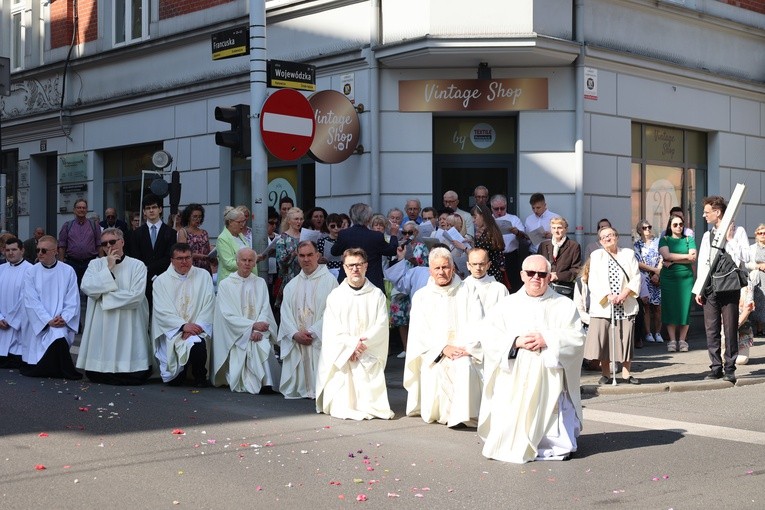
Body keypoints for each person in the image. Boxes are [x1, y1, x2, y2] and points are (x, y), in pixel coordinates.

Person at [478, 254, 585, 463]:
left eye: (542, 274)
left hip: (549, 373)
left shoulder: (564, 305)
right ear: (522, 275)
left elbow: (577, 338)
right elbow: (490, 337)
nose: (536, 277)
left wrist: (548, 338)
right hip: (515, 372)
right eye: (531, 273)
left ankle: (551, 446)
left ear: (549, 276)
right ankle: (513, 442)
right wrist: (515, 341)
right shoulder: (506, 305)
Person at [405, 247, 483, 428]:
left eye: (445, 267)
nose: (442, 272)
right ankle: (443, 413)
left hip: (463, 352)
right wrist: (443, 348)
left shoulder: (469, 291)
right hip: (435, 353)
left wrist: (465, 348)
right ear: (430, 270)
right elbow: (419, 332)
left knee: (464, 366)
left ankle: (462, 416)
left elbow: (478, 322)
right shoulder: (422, 296)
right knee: (438, 368)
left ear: (453, 268)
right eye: (437, 268)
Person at [315, 248, 394, 420]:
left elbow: (380, 325)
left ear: (366, 266)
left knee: (371, 402)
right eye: (350, 265)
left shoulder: (376, 294)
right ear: (344, 268)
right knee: (342, 403)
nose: (355, 269)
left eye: (358, 265)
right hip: (343, 355)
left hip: (367, 352)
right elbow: (331, 328)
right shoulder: (336, 296)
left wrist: (359, 346)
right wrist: (351, 346)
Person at [77, 228, 152, 385]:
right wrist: (108, 268)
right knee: (98, 372)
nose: (109, 246)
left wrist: (104, 298)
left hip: (129, 321)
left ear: (122, 242)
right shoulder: (95, 264)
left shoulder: (137, 265)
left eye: (113, 241)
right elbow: (87, 288)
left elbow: (136, 296)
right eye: (104, 244)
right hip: (102, 321)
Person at [694, 196, 746, 383]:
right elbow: (702, 262)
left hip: (730, 286)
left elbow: (745, 257)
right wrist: (698, 289)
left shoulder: (737, 231)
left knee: (731, 327)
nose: (704, 215)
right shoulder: (707, 235)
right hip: (710, 286)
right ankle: (716, 367)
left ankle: (730, 367)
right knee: (711, 329)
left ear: (717, 212)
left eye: (707, 212)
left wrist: (730, 240)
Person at [212, 248, 278, 394]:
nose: (247, 264)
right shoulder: (225, 284)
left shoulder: (260, 283)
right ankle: (259, 382)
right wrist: (251, 327)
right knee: (253, 344)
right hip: (236, 334)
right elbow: (226, 315)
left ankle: (266, 383)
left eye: (250, 261)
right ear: (237, 261)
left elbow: (264, 309)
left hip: (258, 331)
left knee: (261, 344)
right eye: (244, 260)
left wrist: (257, 329)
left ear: (255, 263)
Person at [278, 241, 338, 399]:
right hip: (298, 338)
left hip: (317, 337)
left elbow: (334, 311)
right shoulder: (291, 285)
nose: (306, 259)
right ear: (297, 257)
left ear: (317, 255)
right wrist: (294, 333)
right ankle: (301, 387)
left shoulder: (330, 281)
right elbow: (285, 314)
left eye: (310, 255)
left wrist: (312, 331)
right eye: (302, 255)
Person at [584, 226, 642, 385]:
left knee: (625, 339)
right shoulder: (596, 255)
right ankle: (606, 374)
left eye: (611, 235)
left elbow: (636, 277)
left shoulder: (628, 253)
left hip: (625, 302)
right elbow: (593, 280)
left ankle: (626, 374)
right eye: (604, 237)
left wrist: (624, 294)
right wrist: (607, 296)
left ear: (617, 237)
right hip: (604, 305)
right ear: (600, 242)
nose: (608, 238)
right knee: (605, 341)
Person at [152, 243, 215, 387]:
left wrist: (196, 327)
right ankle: (181, 371)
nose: (184, 262)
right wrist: (183, 326)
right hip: (173, 331)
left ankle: (200, 376)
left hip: (197, 327)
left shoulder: (203, 275)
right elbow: (162, 310)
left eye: (187, 258)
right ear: (171, 260)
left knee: (197, 344)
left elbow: (209, 303)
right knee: (174, 380)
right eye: (180, 258)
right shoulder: (161, 281)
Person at [21, 235, 82, 380]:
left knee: (59, 334)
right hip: (40, 321)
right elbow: (31, 301)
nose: (40, 253)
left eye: (44, 250)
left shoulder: (68, 271)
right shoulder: (31, 272)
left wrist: (64, 318)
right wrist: (47, 320)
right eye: (38, 250)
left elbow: (72, 298)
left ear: (55, 251)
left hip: (60, 320)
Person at [331, 203, 398, 292]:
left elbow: (334, 251)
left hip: (348, 281)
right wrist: (393, 235)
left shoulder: (344, 234)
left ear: (351, 217)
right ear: (369, 219)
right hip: (372, 283)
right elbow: (392, 250)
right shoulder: (376, 236)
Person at [389, 221, 430, 358]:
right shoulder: (401, 245)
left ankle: (417, 346)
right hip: (402, 280)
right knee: (400, 315)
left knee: (415, 315)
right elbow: (392, 261)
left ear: (416, 233)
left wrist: (413, 261)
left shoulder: (422, 247)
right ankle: (406, 348)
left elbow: (426, 265)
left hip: (416, 281)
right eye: (404, 232)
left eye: (410, 233)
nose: (407, 235)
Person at [129, 194, 177, 308]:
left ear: (160, 209)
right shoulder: (137, 234)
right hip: (144, 280)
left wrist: (149, 269)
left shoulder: (171, 232)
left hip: (165, 278)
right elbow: (136, 257)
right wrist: (146, 272)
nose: (151, 210)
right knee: (145, 314)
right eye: (148, 208)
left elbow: (169, 257)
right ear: (144, 212)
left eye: (154, 207)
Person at [658, 215, 696, 352]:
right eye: (675, 225)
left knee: (684, 308)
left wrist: (673, 260)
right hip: (669, 279)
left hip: (686, 278)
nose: (679, 227)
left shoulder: (688, 239)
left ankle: (682, 340)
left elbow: (693, 258)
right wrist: (685, 256)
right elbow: (666, 256)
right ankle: (672, 340)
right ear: (670, 226)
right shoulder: (664, 239)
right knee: (670, 308)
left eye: (681, 224)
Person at [0, 238, 32, 368]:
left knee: (18, 358)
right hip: (1, 322)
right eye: (7, 250)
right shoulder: (1, 269)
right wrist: (0, 317)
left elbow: (27, 298)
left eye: (14, 249)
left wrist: (11, 320)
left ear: (22, 250)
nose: (10, 253)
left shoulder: (31, 270)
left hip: (19, 323)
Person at [58, 198, 101, 285]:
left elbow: (99, 244)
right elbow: (62, 246)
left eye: (84, 208)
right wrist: (61, 264)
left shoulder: (94, 225)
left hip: (89, 263)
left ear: (87, 210)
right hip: (72, 263)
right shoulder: (67, 226)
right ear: (74, 210)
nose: (81, 210)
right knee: (72, 288)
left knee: (90, 288)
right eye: (79, 207)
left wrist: (102, 262)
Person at [634, 219, 663, 345]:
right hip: (645, 276)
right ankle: (648, 333)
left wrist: (657, 273)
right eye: (644, 228)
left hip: (657, 276)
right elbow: (638, 262)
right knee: (646, 305)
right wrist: (653, 270)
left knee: (657, 306)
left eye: (649, 227)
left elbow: (662, 257)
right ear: (639, 230)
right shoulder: (637, 245)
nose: (648, 230)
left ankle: (658, 332)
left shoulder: (657, 242)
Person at [538, 216, 581, 298]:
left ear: (566, 229)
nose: (556, 231)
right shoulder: (543, 245)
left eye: (559, 228)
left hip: (563, 289)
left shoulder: (574, 246)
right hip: (545, 288)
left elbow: (576, 270)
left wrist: (558, 276)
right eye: (553, 228)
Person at [490, 194, 526, 291]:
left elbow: (524, 236)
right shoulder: (488, 219)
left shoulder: (513, 219)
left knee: (514, 284)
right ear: (491, 208)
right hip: (494, 256)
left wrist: (517, 232)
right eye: (496, 209)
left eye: (502, 208)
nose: (499, 211)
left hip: (511, 256)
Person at [462, 247, 508, 315]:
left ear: (488, 265)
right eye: (474, 264)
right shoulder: (462, 288)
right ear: (468, 265)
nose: (478, 268)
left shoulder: (499, 288)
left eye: (481, 264)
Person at [275, 207, 304, 307]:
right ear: (289, 221)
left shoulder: (305, 236)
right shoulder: (282, 238)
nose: (299, 221)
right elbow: (281, 262)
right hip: (289, 279)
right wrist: (293, 253)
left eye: (301, 219)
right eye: (296, 219)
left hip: (305, 278)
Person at [216, 207, 251, 284]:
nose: (242, 225)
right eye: (239, 222)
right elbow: (229, 264)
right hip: (230, 281)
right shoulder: (222, 238)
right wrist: (250, 262)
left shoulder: (240, 235)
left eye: (244, 222)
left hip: (244, 280)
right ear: (230, 222)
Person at [471, 205, 506, 282]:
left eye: (475, 217)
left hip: (488, 272)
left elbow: (479, 254)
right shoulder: (492, 230)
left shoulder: (487, 234)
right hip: (494, 270)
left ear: (482, 216)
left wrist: (464, 248)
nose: (473, 221)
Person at [176, 204, 212, 273]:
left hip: (205, 267)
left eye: (200, 217)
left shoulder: (204, 232)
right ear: (188, 217)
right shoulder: (183, 232)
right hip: (191, 267)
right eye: (195, 217)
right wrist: (201, 256)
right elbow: (182, 252)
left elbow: (207, 249)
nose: (197, 219)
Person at [745, 223, 765, 335]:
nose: (762, 235)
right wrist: (758, 266)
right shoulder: (751, 248)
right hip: (757, 279)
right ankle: (758, 328)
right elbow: (747, 264)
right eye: (760, 233)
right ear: (756, 235)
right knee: (758, 302)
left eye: (764, 233)